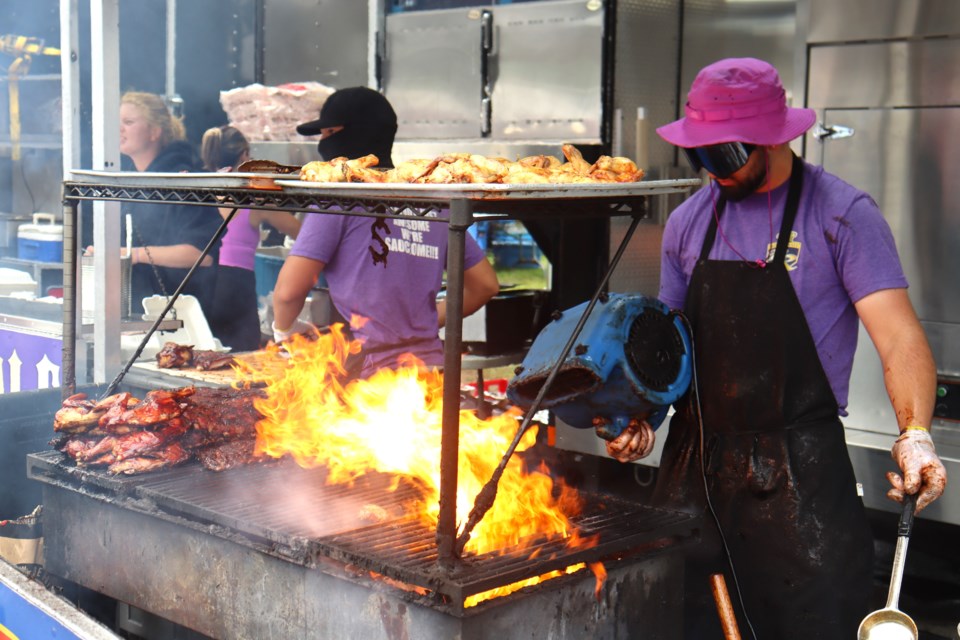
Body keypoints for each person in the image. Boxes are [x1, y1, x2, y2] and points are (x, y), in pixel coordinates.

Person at [604, 58, 947, 638]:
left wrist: (914, 432)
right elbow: (671, 350)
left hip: (800, 479)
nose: (712, 171)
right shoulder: (689, 223)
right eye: (701, 155)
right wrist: (641, 415)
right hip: (697, 471)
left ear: (775, 137)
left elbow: (899, 335)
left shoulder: (840, 214)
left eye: (726, 155)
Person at [272, 87, 499, 378]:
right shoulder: (429, 200)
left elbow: (289, 293)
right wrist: (423, 326)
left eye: (329, 132)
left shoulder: (338, 198)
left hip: (365, 380)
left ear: (354, 134)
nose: (323, 142)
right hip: (428, 367)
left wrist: (282, 334)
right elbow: (485, 285)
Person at [90, 91, 223, 319]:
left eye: (129, 122)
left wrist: (131, 254)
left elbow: (200, 254)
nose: (119, 129)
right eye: (117, 122)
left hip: (182, 316)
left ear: (155, 132)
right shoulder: (129, 180)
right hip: (137, 311)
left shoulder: (184, 180)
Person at [200, 124, 302, 351]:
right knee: (242, 356)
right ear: (244, 155)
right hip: (235, 283)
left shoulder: (203, 189)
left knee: (208, 352)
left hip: (204, 278)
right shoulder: (254, 199)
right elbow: (301, 233)